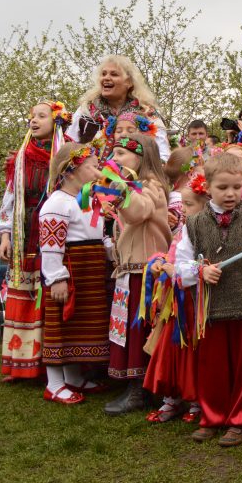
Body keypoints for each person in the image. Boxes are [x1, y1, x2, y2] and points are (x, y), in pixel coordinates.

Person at [174, 153, 242, 447]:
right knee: (212, 366)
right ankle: (212, 416)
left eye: (237, 187)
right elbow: (180, 264)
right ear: (208, 187)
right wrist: (200, 272)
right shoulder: (194, 224)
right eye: (223, 188)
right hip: (211, 309)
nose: (230, 194)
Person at [0, 101, 70, 382]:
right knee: (23, 293)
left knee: (49, 294)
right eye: (32, 116)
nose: (34, 120)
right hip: (26, 234)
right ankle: (20, 362)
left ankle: (50, 362)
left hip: (55, 234)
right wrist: (6, 234)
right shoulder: (21, 159)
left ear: (57, 121)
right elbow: (10, 198)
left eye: (41, 116)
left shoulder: (66, 155)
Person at [104, 135, 172, 415]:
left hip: (146, 272)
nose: (115, 159)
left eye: (121, 153)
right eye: (114, 153)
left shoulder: (151, 186)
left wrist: (118, 186)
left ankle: (139, 392)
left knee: (138, 332)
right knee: (129, 332)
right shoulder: (136, 187)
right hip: (132, 270)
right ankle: (135, 388)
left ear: (141, 157)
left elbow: (137, 213)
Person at [38, 143, 112, 403]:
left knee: (79, 324)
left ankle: (73, 377)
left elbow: (96, 235)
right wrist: (56, 277)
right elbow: (51, 246)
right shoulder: (56, 204)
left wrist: (111, 251)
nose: (98, 170)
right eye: (92, 166)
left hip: (88, 272)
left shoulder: (85, 201)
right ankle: (55, 384)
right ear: (70, 171)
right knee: (61, 324)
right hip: (70, 274)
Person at [142, 172, 210, 424]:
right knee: (171, 351)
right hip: (175, 302)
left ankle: (196, 400)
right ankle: (172, 398)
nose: (184, 210)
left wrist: (178, 270)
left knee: (193, 353)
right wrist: (160, 263)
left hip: (194, 303)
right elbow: (173, 254)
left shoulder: (205, 231)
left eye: (190, 205)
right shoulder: (183, 230)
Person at [67, 55, 170, 161]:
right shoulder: (86, 110)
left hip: (133, 175)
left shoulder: (146, 112)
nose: (106, 78)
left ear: (129, 82)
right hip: (89, 174)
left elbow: (162, 154)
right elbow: (68, 145)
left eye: (114, 74)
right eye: (103, 74)